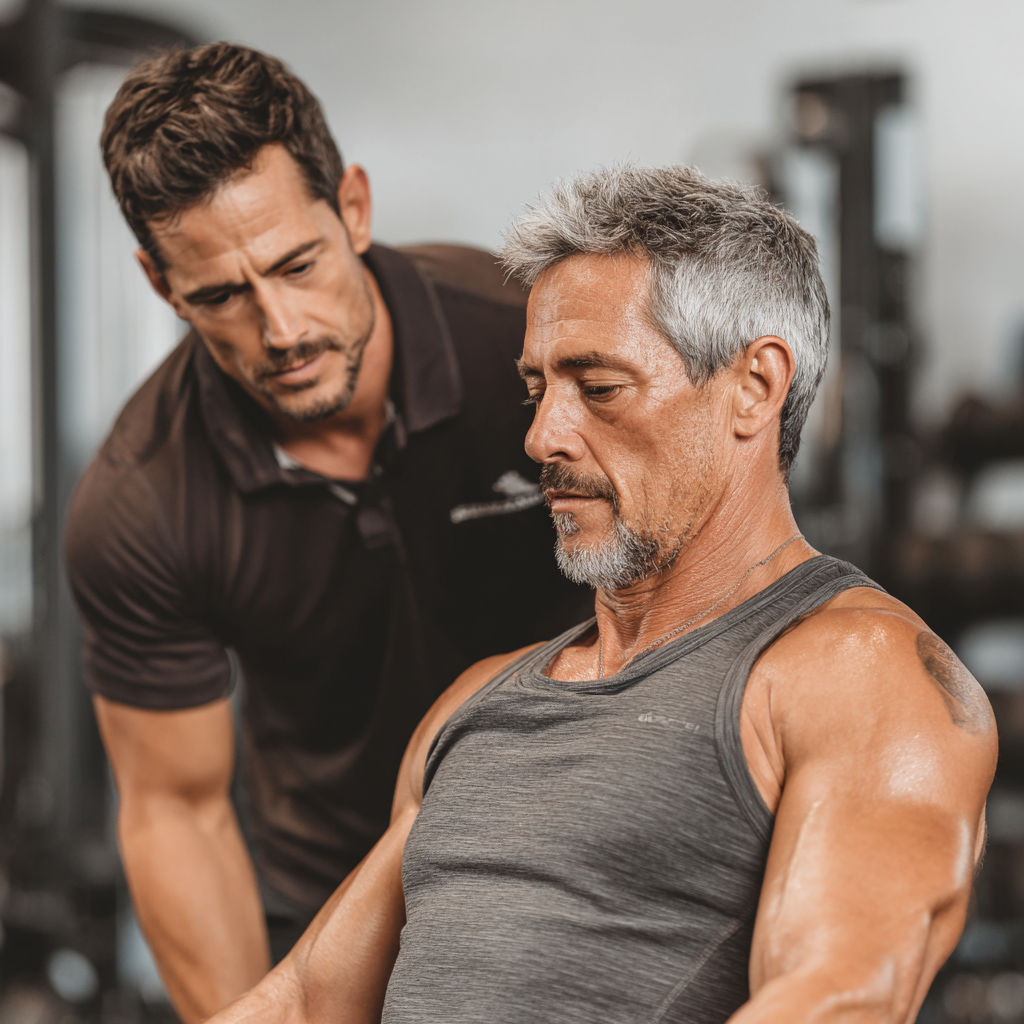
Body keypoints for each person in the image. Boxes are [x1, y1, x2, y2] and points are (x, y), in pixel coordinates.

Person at [204, 166, 997, 1024]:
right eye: (537, 387)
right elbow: (305, 1000)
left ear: (754, 387)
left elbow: (841, 996)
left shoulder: (856, 674)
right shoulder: (478, 701)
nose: (541, 435)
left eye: (600, 388)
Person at [63, 43, 588, 1023]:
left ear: (352, 205)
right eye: (219, 295)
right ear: (158, 282)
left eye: (297, 265)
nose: (281, 329)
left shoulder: (523, 346)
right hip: (335, 906)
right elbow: (177, 811)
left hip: (587, 859)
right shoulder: (142, 503)